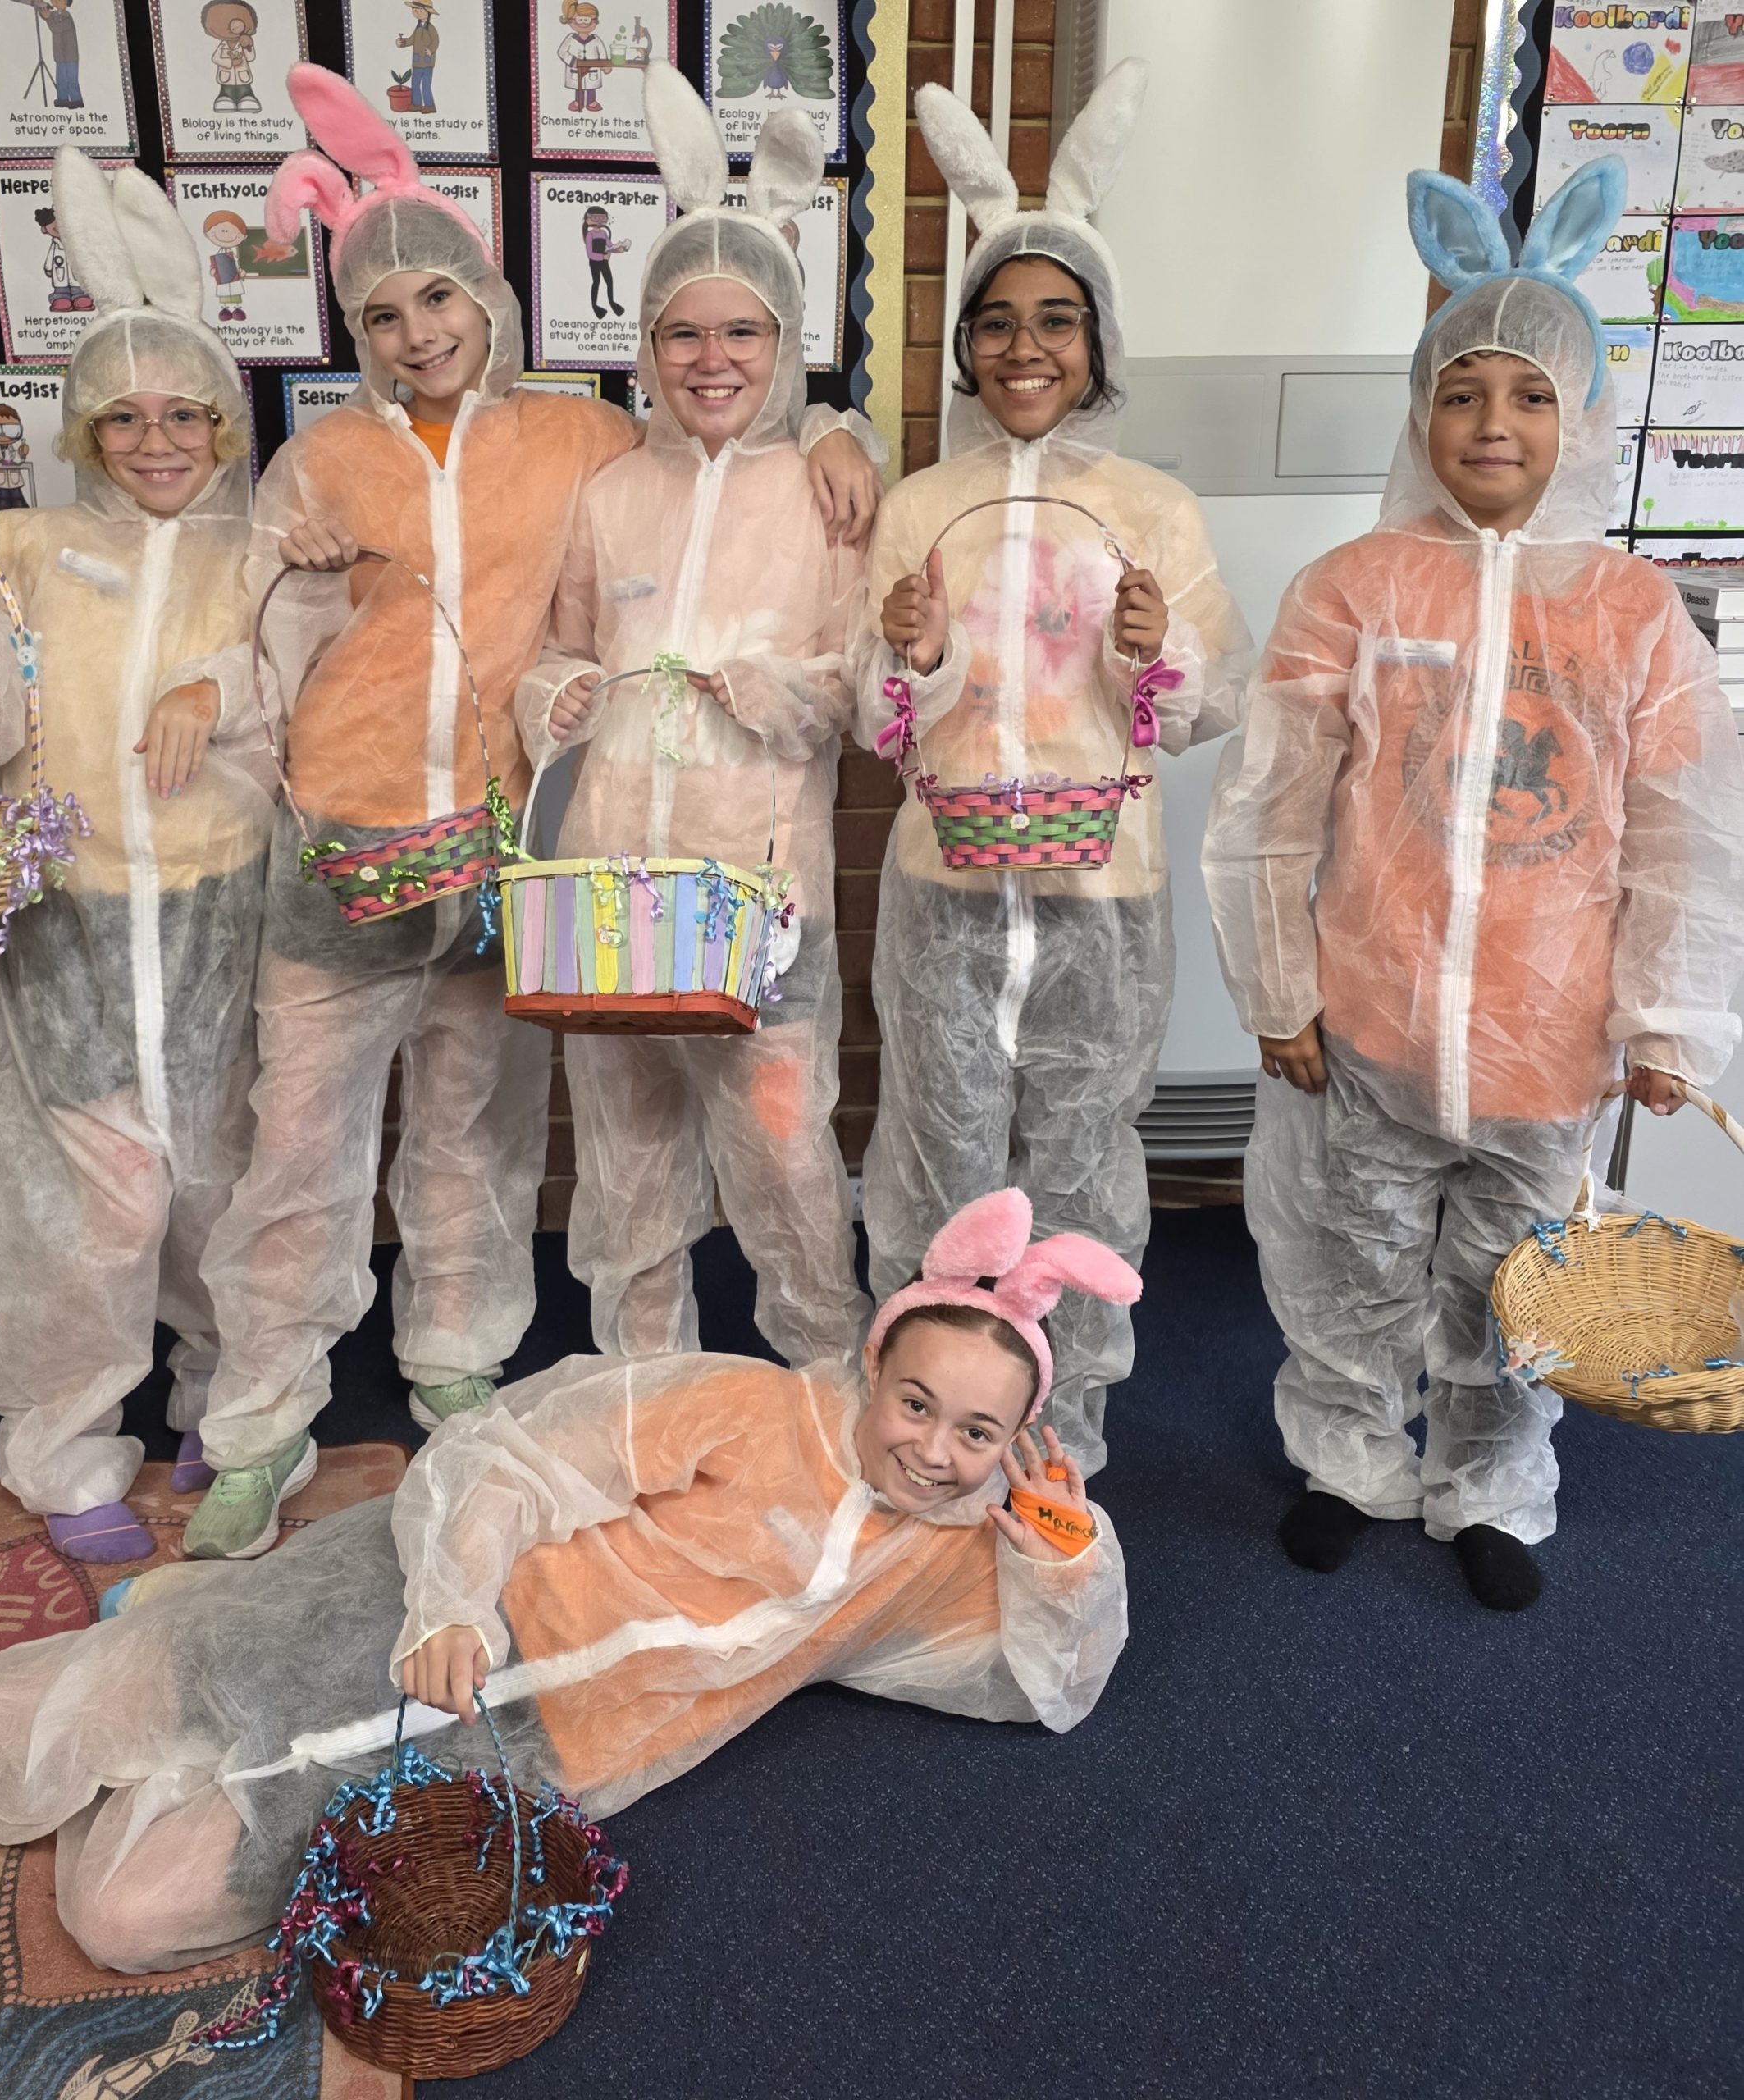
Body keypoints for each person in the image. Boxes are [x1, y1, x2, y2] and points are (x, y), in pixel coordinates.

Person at [0, 1191, 1135, 1978]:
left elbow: (1036, 1684)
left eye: (977, 1433)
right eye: (915, 1403)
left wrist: (1060, 1557)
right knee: (17, 1730)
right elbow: (504, 1456)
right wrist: (450, 1600)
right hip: (407, 1618)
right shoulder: (746, 1405)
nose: (933, 1451)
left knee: (124, 1919)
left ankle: (160, 1706)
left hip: (503, 1752)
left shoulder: (941, 1558)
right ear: (873, 1370)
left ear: (1018, 1444)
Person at [179, 66, 881, 1560]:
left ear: (488, 299)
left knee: (494, 1133)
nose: (417, 333)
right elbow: (259, 638)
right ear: (354, 332)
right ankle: (258, 1420)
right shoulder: (326, 463)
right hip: (372, 855)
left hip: (565, 870)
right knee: (300, 1152)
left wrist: (841, 425)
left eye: (438, 296)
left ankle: (471, 1353)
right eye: (382, 313)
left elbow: (779, 513)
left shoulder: (580, 444)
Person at [1203, 161, 1744, 1610]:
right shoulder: (1354, 586)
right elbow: (1268, 805)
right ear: (1418, 413)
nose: (1491, 422)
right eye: (1458, 392)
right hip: (1367, 1022)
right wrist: (1275, 988)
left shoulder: (1633, 613)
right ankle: (1346, 1463)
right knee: (1349, 1259)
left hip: (1547, 1043)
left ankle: (1490, 1484)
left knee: (1514, 1277)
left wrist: (1665, 1019)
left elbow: (1684, 835)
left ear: (1582, 418)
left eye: (1528, 394)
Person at [0, 152, 274, 1565]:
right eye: (123, 417)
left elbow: (309, 694)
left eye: (184, 414)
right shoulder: (22, 547)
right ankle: (65, 1442)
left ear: (224, 422)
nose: (156, 442)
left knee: (220, 1179)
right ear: (85, 431)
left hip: (221, 912)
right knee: (86, 1206)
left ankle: (227, 1404)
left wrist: (213, 683)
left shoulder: (264, 554)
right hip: (67, 919)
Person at [856, 62, 1251, 1476]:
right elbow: (868, 720)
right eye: (997, 322)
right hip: (944, 890)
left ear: (1098, 341)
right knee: (937, 1149)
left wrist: (1157, 650)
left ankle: (1059, 1429)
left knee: (1082, 1155)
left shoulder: (1152, 508)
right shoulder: (919, 504)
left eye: (1056, 320)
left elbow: (1208, 703)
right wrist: (907, 657)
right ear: (966, 347)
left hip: (1100, 894)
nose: (1025, 348)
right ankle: (923, 1414)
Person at [518, 66, 873, 1368]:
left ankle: (824, 1377)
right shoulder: (612, 493)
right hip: (613, 881)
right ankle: (640, 1388)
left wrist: (785, 692)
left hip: (761, 892)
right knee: (624, 1163)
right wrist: (547, 694)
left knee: (784, 1155)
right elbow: (561, 646)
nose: (711, 360)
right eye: (682, 334)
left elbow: (866, 680)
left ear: (785, 341)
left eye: (742, 333)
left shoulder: (832, 493)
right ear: (646, 345)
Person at [395, 0, 437, 113]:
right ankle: (416, 104)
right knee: (415, 84)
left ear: (427, 12)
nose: (417, 13)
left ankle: (429, 105)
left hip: (427, 63)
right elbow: (411, 40)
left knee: (426, 85)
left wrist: (431, 50)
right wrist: (403, 42)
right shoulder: (418, 28)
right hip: (417, 62)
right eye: (415, 11)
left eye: (420, 11)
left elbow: (436, 41)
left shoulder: (431, 28)